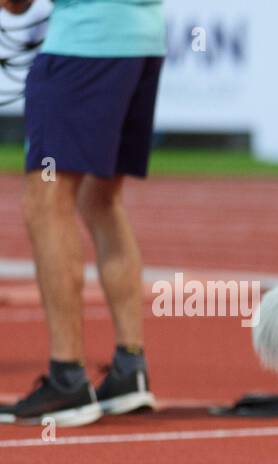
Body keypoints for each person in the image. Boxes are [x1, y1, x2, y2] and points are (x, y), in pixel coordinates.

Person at [0, 0, 164, 426]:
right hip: (144, 40)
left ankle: (67, 376)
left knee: (46, 201)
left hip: (86, 41)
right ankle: (130, 369)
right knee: (100, 200)